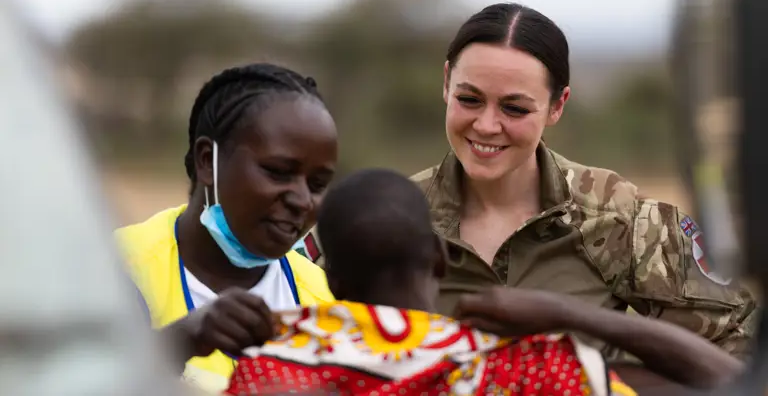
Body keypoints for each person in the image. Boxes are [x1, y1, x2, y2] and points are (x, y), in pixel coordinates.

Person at [300, 2, 757, 360]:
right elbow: (292, 324)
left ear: (557, 106)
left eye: (515, 108)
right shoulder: (385, 217)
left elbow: (733, 345)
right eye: (469, 99)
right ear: (445, 83)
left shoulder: (617, 217)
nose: (486, 125)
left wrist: (604, 376)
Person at [227, 169, 742, 396]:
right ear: (437, 259)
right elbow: (728, 379)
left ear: (332, 280)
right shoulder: (526, 369)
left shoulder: (266, 369)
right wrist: (567, 315)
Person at [116, 63, 338, 393]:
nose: (302, 200)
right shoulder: (116, 272)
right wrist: (179, 344)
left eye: (318, 184)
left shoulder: (325, 302)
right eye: (277, 172)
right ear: (208, 161)